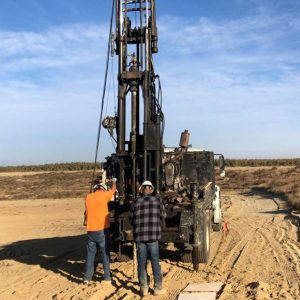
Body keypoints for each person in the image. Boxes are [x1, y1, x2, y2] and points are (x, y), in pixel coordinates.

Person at [130, 180, 167, 297]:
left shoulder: (135, 202)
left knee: (141, 263)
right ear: (151, 190)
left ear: (141, 190)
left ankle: (144, 289)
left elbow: (131, 219)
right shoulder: (157, 201)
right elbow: (163, 215)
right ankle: (157, 288)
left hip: (140, 238)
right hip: (153, 238)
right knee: (155, 262)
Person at [83, 178, 116, 284]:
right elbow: (113, 190)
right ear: (103, 189)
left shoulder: (88, 197)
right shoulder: (104, 195)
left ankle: (87, 278)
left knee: (90, 255)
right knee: (105, 254)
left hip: (90, 231)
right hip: (102, 230)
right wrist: (114, 181)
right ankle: (107, 278)